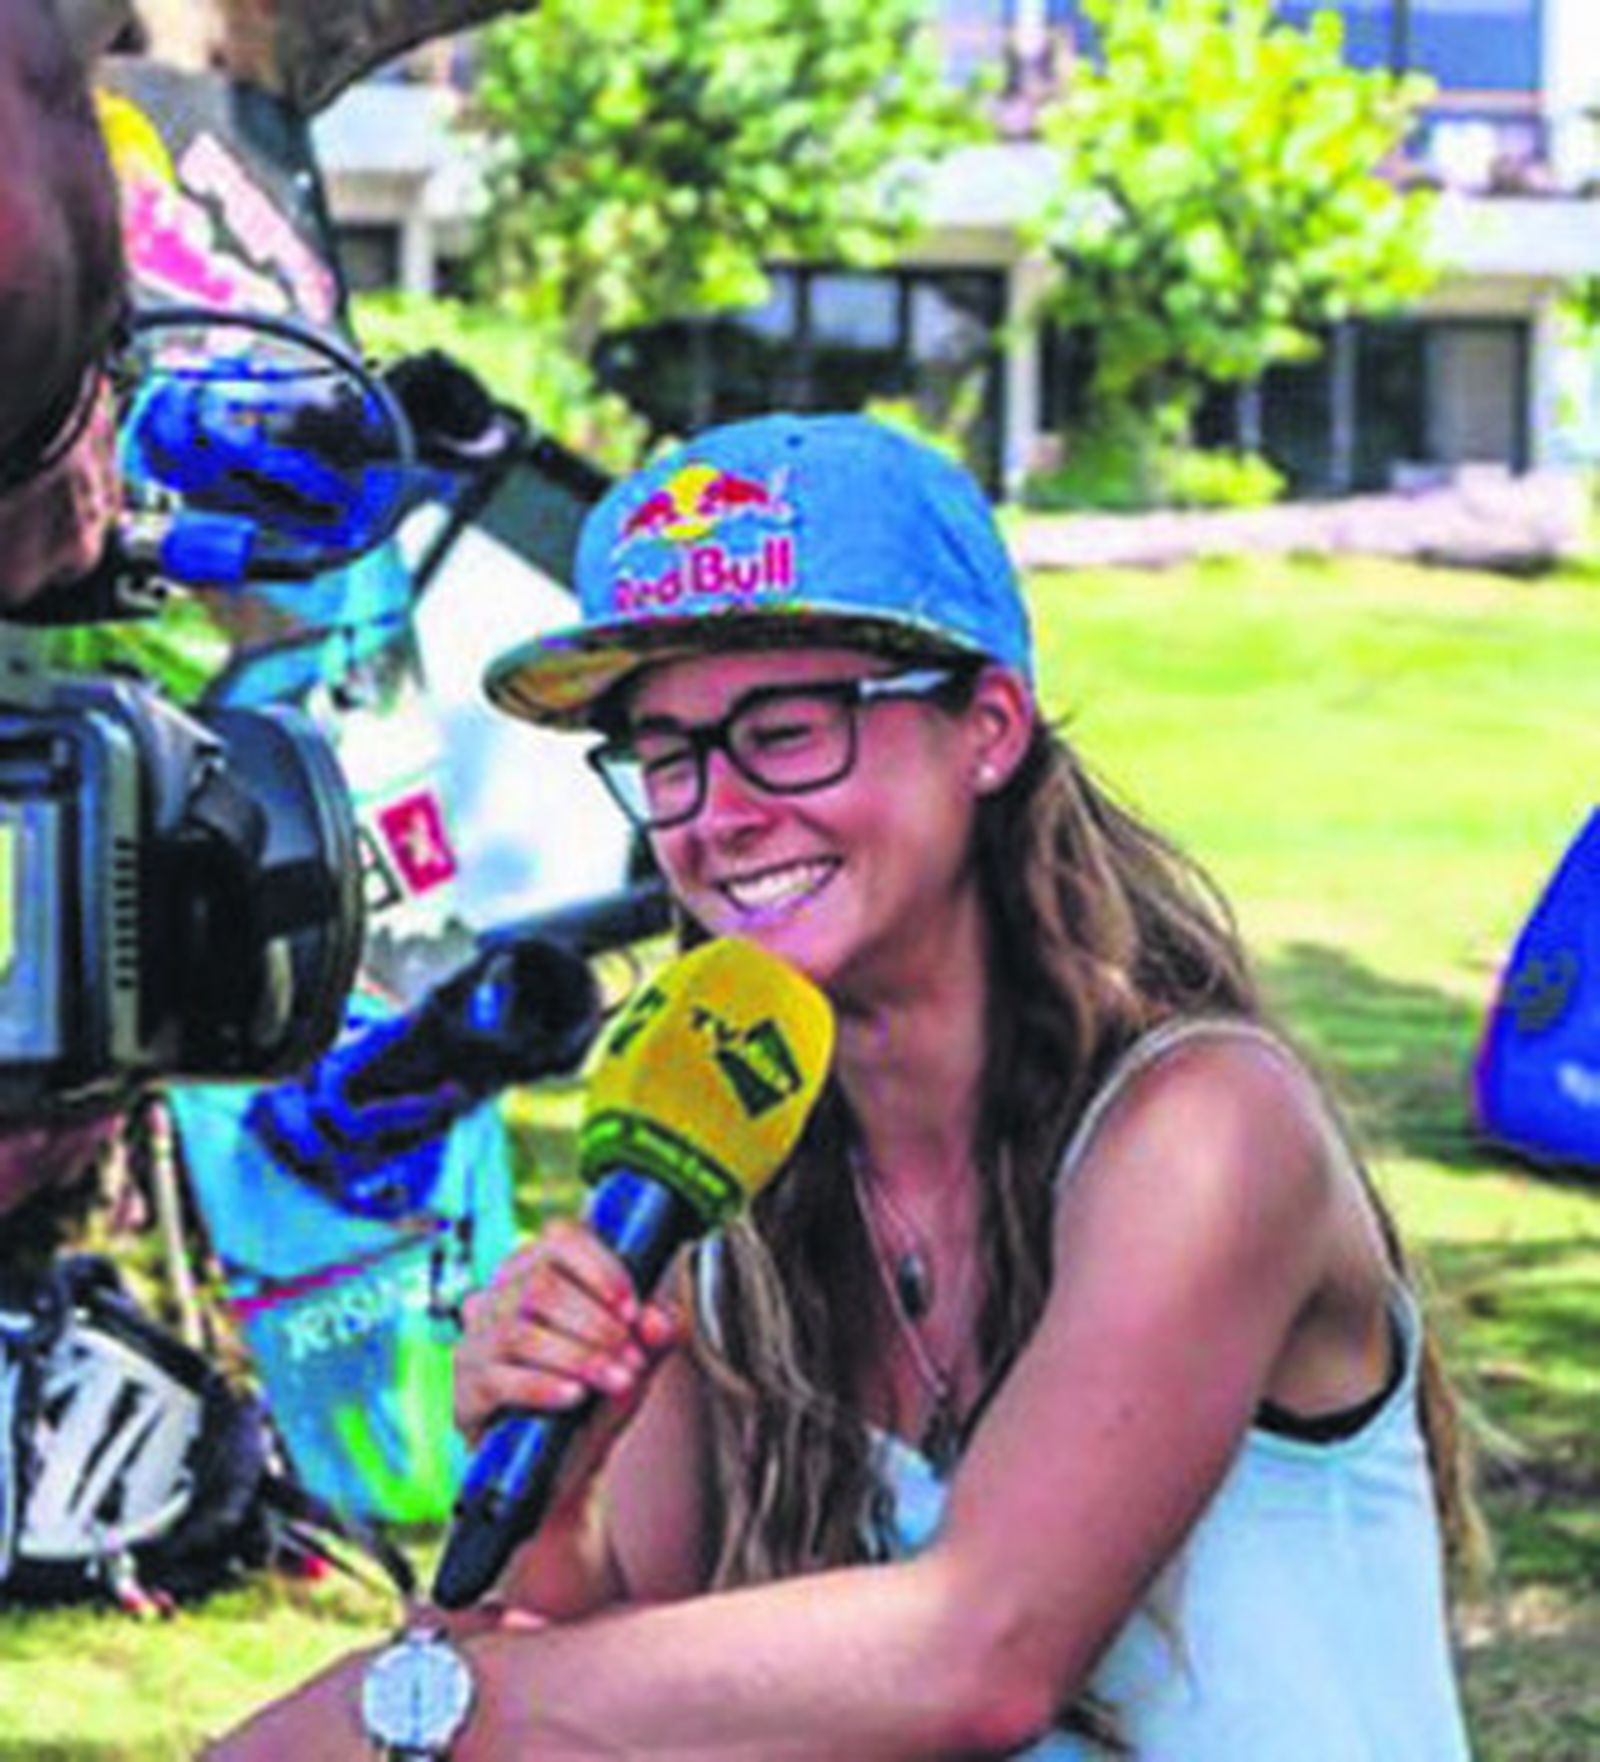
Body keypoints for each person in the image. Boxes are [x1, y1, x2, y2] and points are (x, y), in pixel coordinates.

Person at [209, 412, 1476, 1760]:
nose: (718, 811)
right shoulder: (717, 1195)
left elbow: (981, 1652)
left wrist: (402, 1711)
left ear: (988, 728)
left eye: (786, 729)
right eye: (669, 753)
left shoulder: (1205, 1131)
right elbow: (653, 1707)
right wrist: (560, 1502)